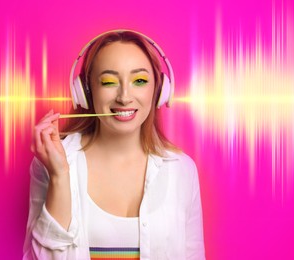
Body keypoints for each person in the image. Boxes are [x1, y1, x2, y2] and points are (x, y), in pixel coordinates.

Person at [23, 30, 205, 260]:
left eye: (139, 80)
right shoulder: (54, 162)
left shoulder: (181, 169)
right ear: (85, 92)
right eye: (108, 82)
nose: (124, 96)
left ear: (159, 90)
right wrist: (59, 176)